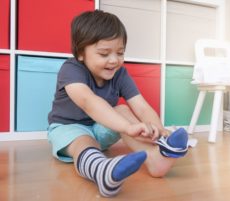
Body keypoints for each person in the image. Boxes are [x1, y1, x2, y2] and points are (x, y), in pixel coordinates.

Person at [47, 10, 188, 197]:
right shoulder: (71, 69)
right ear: (81, 53)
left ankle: (155, 158)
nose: (114, 60)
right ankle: (102, 171)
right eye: (104, 54)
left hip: (100, 129)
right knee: (84, 140)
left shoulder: (120, 74)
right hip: (68, 129)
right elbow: (89, 102)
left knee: (121, 108)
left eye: (120, 52)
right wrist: (127, 127)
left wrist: (158, 130)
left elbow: (141, 106)